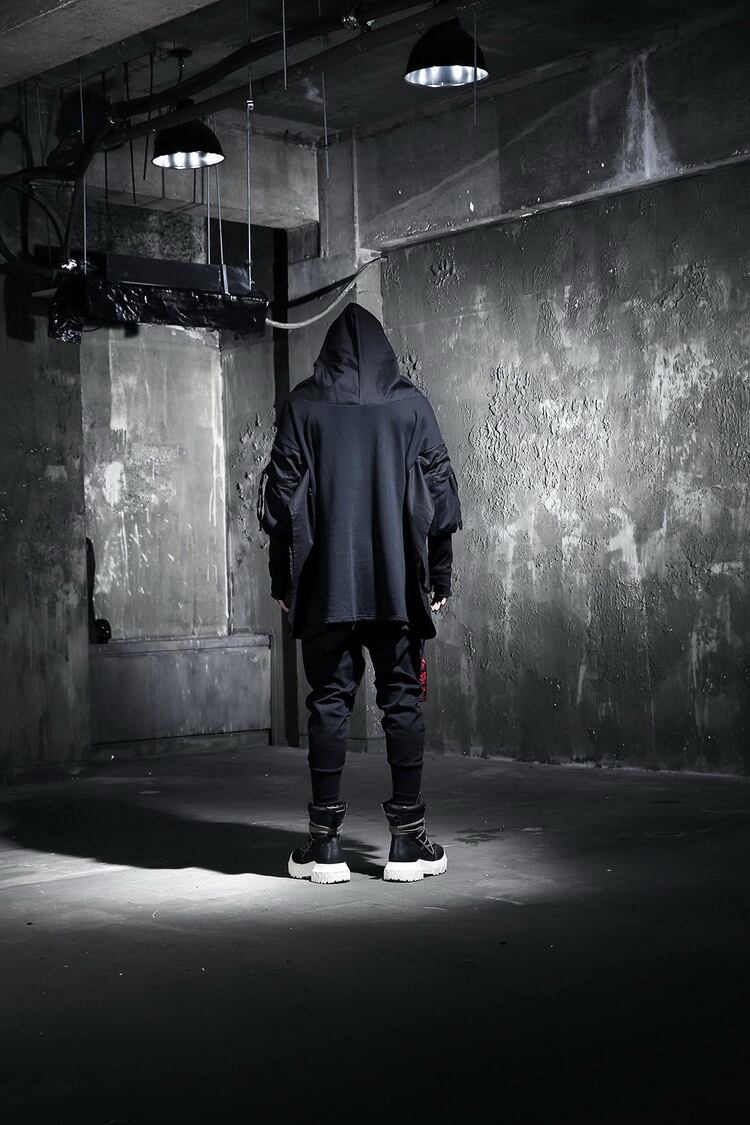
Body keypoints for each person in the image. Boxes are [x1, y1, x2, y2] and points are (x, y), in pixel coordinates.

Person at [256, 302, 462, 884]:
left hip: (327, 589)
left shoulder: (302, 406)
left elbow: (279, 505)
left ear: (329, 355)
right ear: (385, 352)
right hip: (397, 589)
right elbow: (441, 503)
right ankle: (407, 843)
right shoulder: (412, 406)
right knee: (403, 701)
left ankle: (324, 848)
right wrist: (438, 579)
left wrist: (282, 583)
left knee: (328, 703)